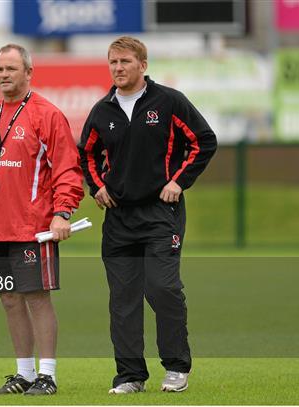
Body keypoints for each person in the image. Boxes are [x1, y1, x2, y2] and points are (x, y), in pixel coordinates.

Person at [78, 36, 217, 394]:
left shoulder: (168, 102)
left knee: (162, 288)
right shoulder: (101, 111)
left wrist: (179, 181)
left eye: (125, 61)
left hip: (161, 214)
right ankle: (129, 376)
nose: (118, 68)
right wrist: (98, 188)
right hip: (119, 219)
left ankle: (176, 367)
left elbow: (204, 140)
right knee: (123, 300)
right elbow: (87, 155)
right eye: (113, 62)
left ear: (143, 65)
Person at [0, 44, 84, 396]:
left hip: (34, 227)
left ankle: (48, 375)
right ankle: (23, 374)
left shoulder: (47, 114)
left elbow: (67, 169)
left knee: (36, 297)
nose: (4, 75)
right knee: (9, 299)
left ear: (28, 72)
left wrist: (62, 212)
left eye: (11, 68)